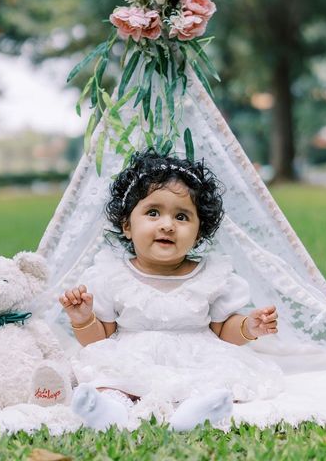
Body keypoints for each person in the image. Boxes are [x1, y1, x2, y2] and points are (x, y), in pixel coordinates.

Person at [59, 148, 283, 431]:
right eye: (153, 213)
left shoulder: (211, 276)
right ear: (127, 225)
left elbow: (222, 330)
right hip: (132, 357)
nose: (167, 225)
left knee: (210, 382)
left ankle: (194, 413)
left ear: (199, 232)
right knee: (111, 380)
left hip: (196, 358)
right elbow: (97, 340)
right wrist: (83, 319)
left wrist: (249, 327)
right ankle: (111, 410)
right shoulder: (111, 275)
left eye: (182, 217)